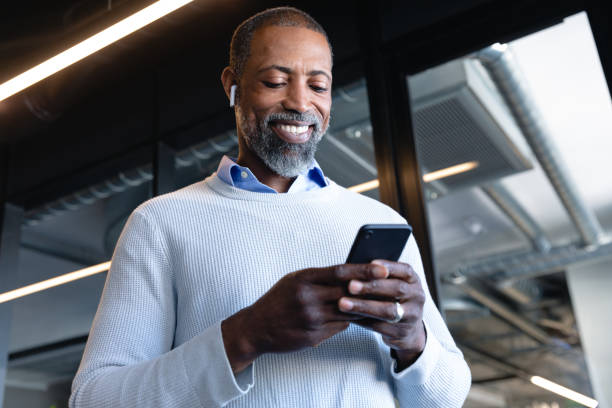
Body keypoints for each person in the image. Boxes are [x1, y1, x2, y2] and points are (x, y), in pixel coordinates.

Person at [70, 7, 471, 407]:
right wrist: (247, 334)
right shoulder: (160, 222)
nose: (300, 103)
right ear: (233, 86)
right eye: (275, 81)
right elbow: (93, 399)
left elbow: (445, 399)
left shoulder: (379, 221)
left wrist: (413, 341)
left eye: (318, 85)